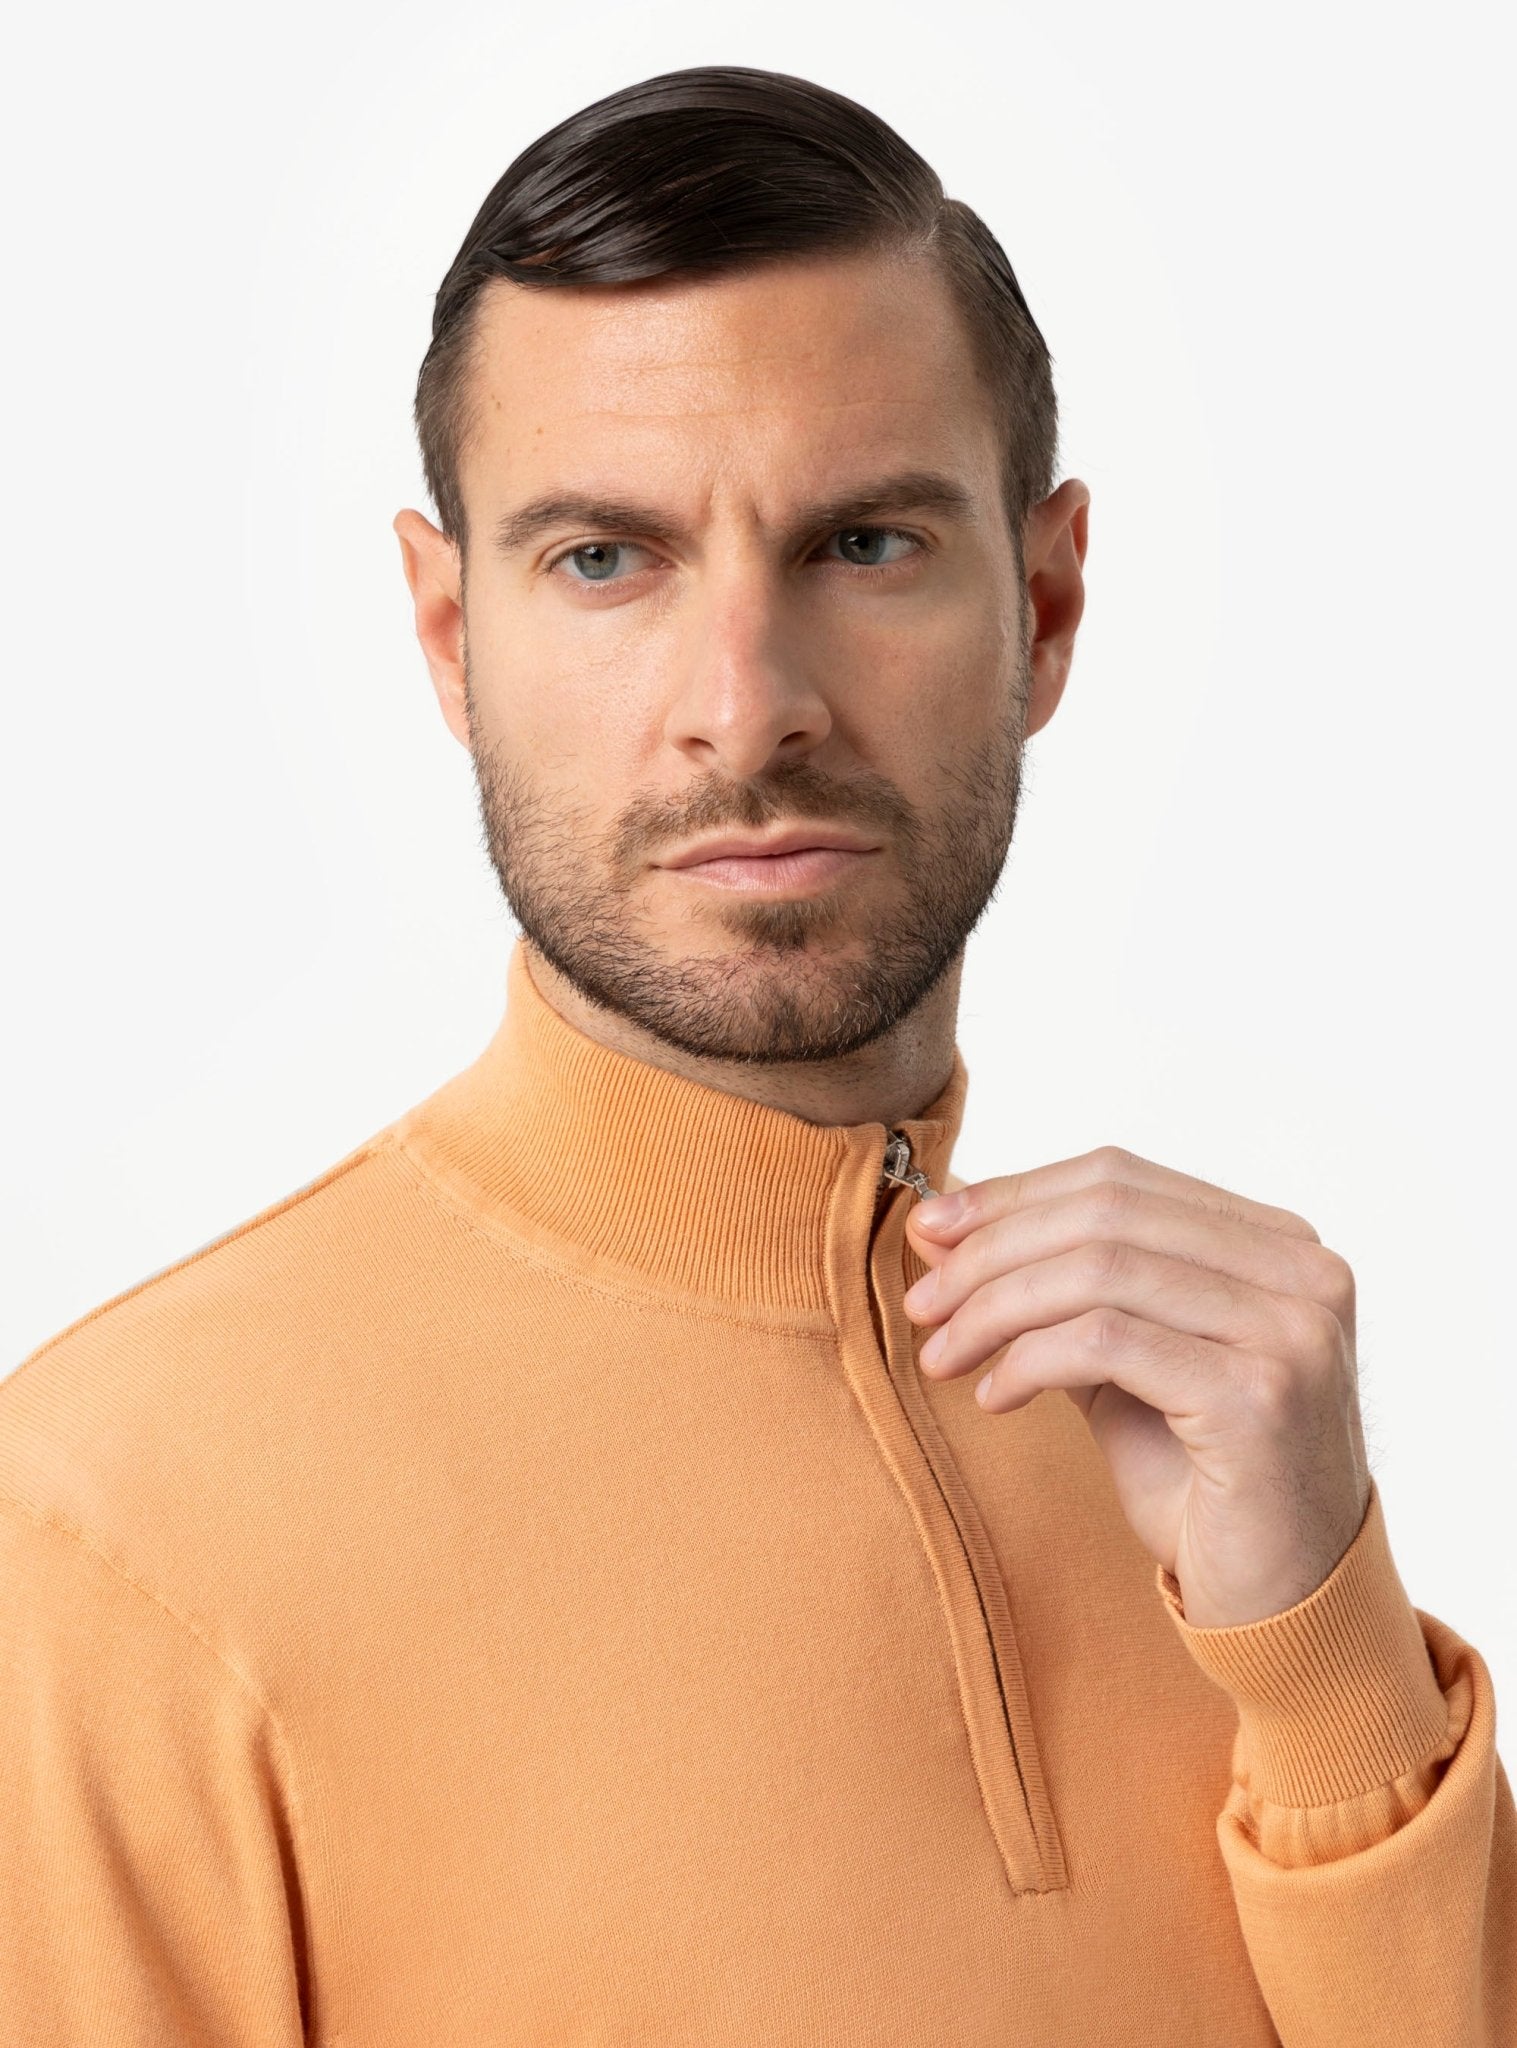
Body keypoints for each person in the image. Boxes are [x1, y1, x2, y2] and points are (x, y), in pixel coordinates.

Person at [2, 63, 1511, 2047]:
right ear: (449, 638)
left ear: (1047, 602)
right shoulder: (110, 1529)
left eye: (863, 544)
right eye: (604, 560)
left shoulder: (1218, 1453)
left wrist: (1325, 1671)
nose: (745, 706)